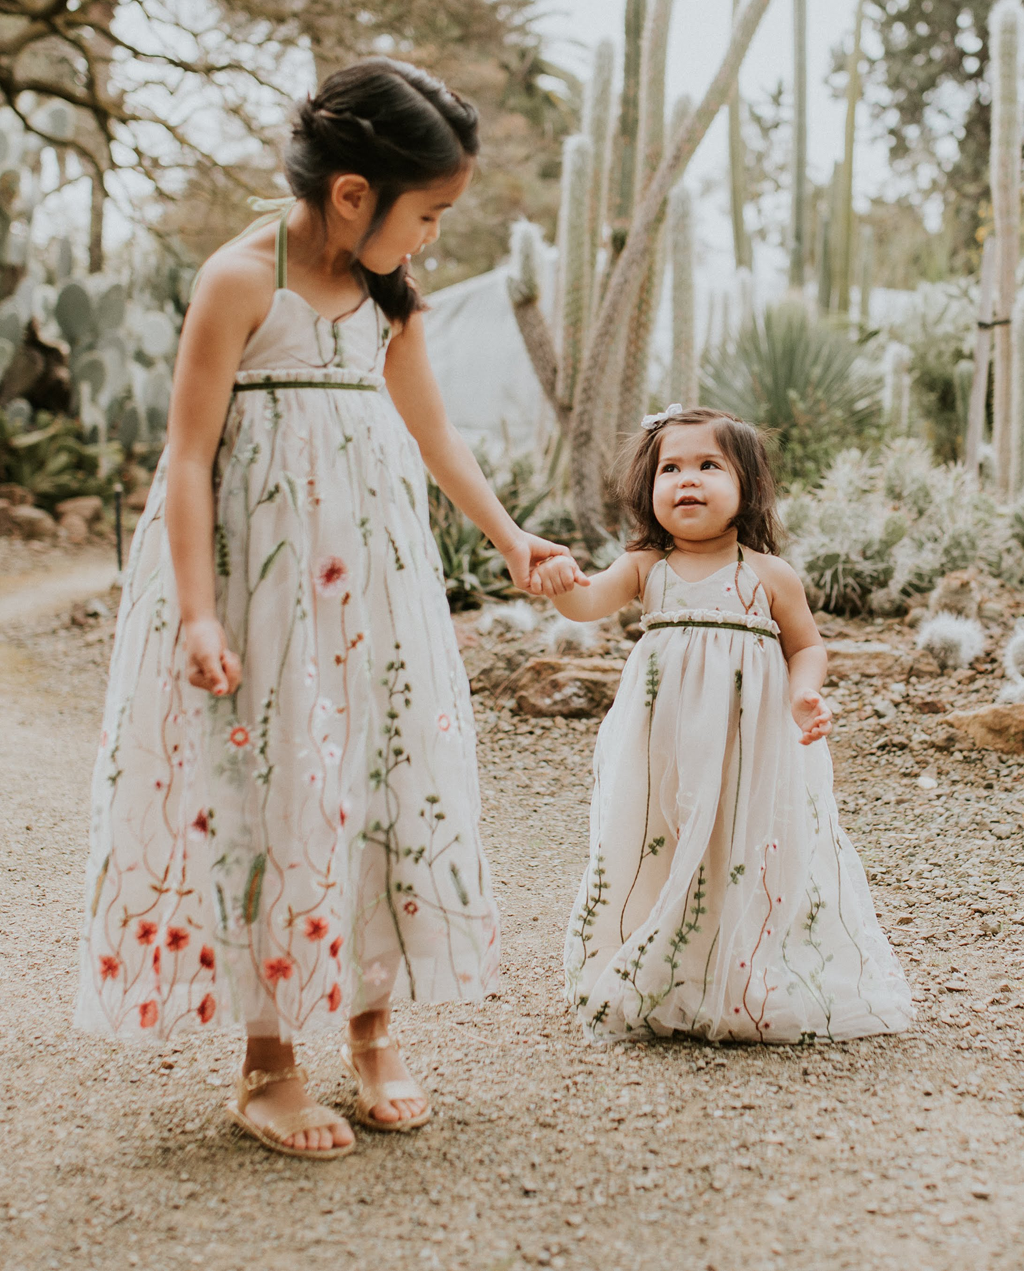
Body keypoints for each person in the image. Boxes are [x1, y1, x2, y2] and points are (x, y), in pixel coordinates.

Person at [76, 57, 583, 1158]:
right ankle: (267, 1063)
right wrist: (201, 614)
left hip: (370, 585)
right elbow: (192, 455)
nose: (436, 236)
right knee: (264, 787)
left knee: (374, 777)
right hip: (255, 586)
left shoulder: (386, 293)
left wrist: (509, 537)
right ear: (353, 192)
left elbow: (433, 433)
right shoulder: (238, 281)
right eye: (430, 212)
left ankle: (369, 1026)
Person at [533, 405, 912, 1045]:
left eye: (709, 465)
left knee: (741, 850)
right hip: (663, 744)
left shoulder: (766, 575)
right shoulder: (645, 567)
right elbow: (586, 603)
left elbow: (808, 647)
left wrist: (804, 696)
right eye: (670, 468)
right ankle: (664, 972)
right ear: (647, 489)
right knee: (661, 842)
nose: (688, 480)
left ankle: (738, 979)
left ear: (748, 487)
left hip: (747, 744)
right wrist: (559, 580)